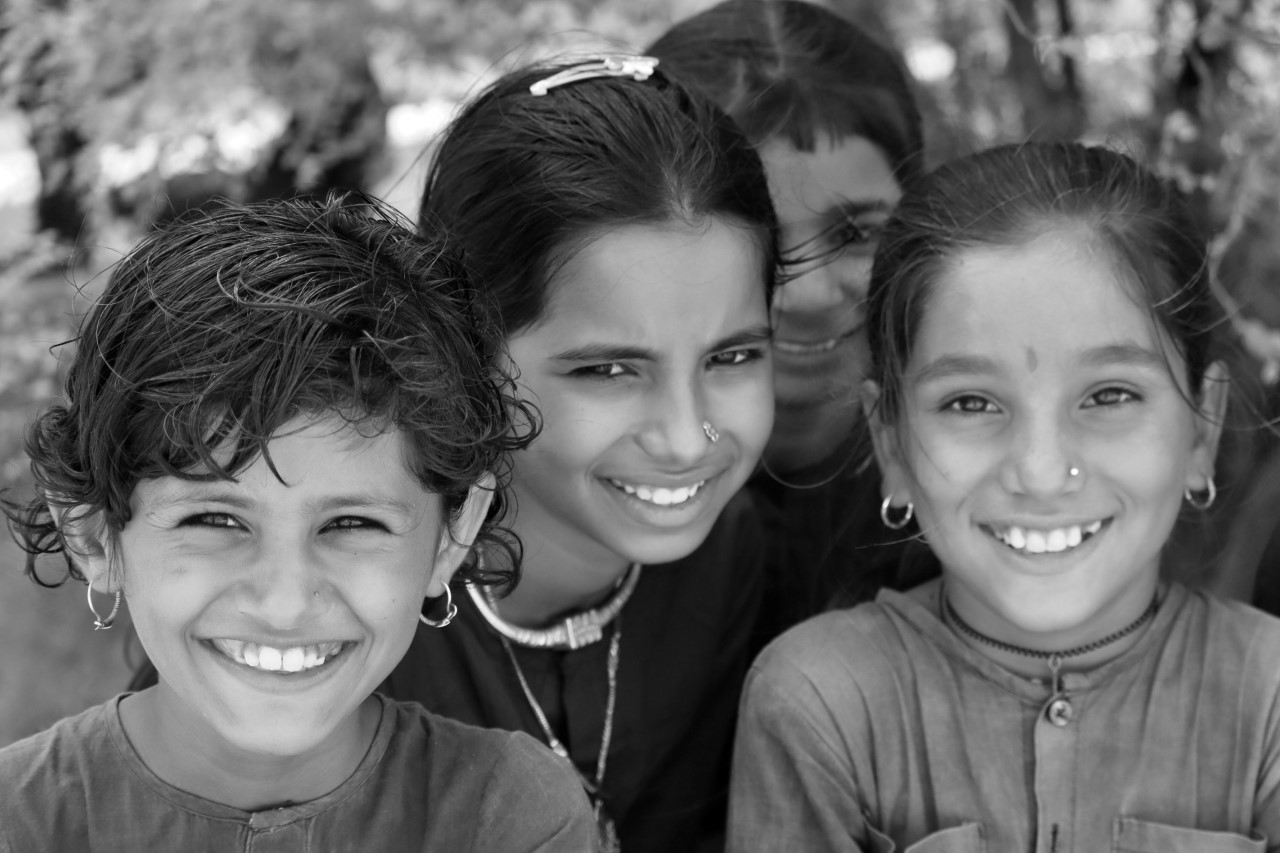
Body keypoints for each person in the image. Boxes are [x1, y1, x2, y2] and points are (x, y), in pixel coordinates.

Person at [0, 195, 597, 852]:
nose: (284, 604)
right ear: (94, 535)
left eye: (353, 523)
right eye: (215, 519)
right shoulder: (20, 820)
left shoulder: (510, 816)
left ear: (452, 535)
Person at [727, 142, 1280, 850]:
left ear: (1202, 427)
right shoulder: (820, 701)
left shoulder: (1267, 698)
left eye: (1109, 395)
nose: (1042, 472)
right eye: (971, 403)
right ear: (892, 444)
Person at [380, 55, 778, 852]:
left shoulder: (737, 558)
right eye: (608, 370)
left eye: (732, 357)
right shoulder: (356, 599)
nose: (684, 437)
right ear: (464, 349)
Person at [649, 0, 933, 623]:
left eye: (857, 234)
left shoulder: (977, 494)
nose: (807, 294)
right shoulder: (564, 503)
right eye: (756, 240)